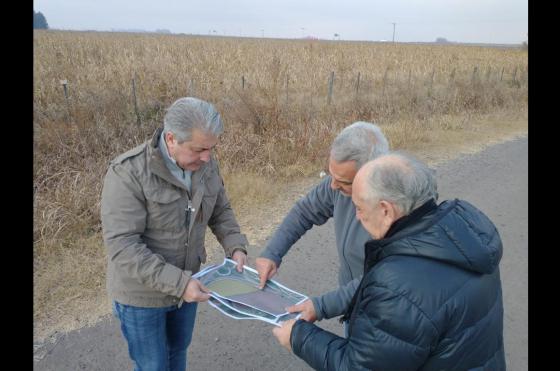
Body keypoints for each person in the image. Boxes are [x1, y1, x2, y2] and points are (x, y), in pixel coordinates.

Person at [272, 152, 506, 370]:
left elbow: (360, 366)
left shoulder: (396, 284)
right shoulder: (463, 237)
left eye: (359, 207)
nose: (356, 216)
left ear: (386, 210)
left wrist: (298, 337)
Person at [101, 97, 249, 371]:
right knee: (153, 366)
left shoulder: (206, 166)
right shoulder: (128, 173)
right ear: (171, 139)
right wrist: (180, 284)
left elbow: (221, 210)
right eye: (199, 149)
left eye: (211, 148)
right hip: (142, 297)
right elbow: (123, 246)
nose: (207, 157)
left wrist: (235, 246)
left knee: (177, 354)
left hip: (187, 288)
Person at [255, 121, 389, 328]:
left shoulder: (397, 210)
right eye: (330, 175)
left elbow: (380, 279)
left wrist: (320, 306)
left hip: (386, 311)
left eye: (343, 181)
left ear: (373, 175)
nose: (333, 186)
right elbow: (305, 211)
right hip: (354, 307)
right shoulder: (338, 184)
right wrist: (272, 253)